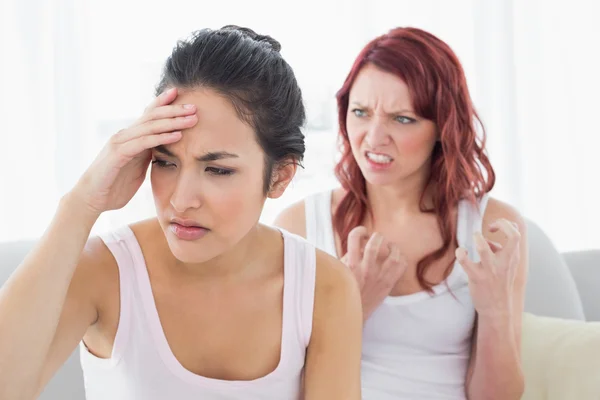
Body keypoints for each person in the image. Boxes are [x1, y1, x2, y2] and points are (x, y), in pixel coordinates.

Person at [0, 26, 362, 400]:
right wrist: (80, 206)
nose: (181, 200)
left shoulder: (322, 287)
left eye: (218, 170)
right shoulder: (103, 272)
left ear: (280, 177)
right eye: (165, 162)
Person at [275, 27, 527, 399]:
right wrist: (351, 305)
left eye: (403, 119)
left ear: (443, 125)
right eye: (360, 113)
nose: (374, 138)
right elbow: (278, 387)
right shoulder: (298, 226)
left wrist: (495, 312)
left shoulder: (491, 229)